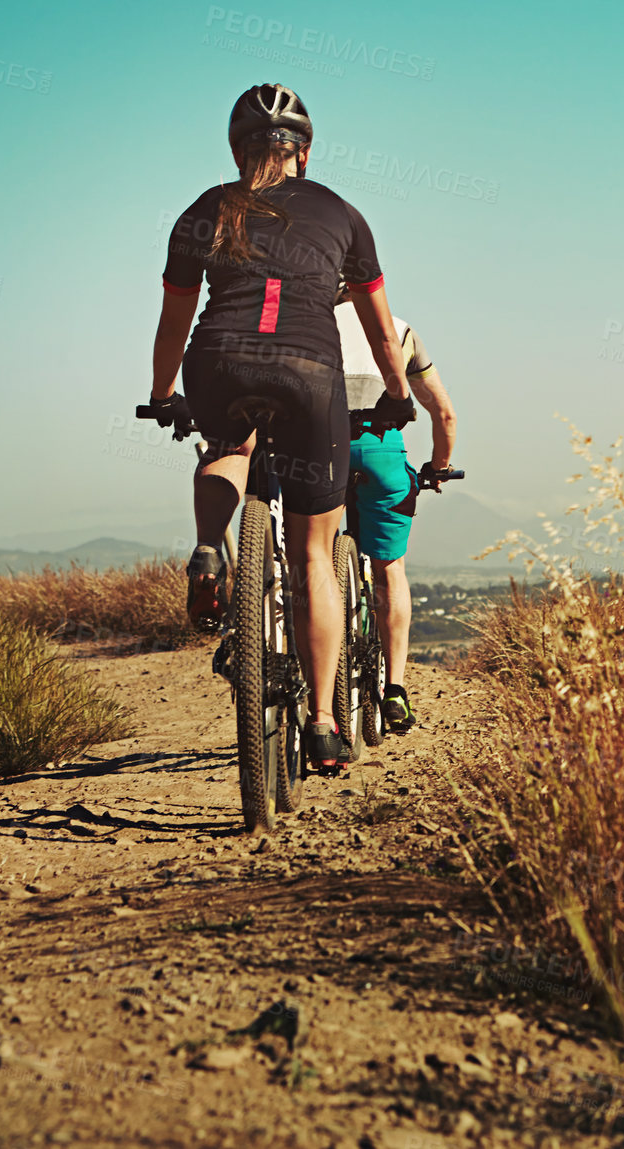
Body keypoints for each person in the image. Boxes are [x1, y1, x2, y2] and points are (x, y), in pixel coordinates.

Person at [146, 83, 412, 767]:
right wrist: (398, 394)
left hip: (219, 361)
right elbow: (382, 333)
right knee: (313, 556)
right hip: (309, 372)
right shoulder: (343, 214)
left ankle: (210, 542)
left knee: (228, 444)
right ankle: (323, 724)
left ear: (238, 150)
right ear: (306, 150)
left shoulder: (204, 210)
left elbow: (175, 318)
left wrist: (163, 391)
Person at [335, 288, 458, 731]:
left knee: (308, 562)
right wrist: (438, 468)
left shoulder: (304, 326)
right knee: (390, 570)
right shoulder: (400, 331)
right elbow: (443, 415)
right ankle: (396, 690)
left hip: (320, 452)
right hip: (380, 454)